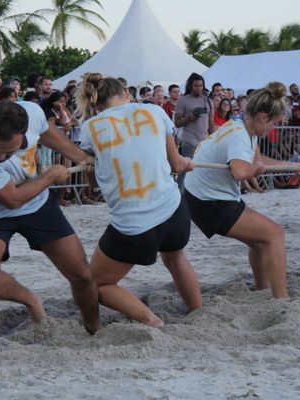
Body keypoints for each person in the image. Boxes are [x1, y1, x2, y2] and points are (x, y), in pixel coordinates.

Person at [0, 100, 101, 334]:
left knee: (82, 275)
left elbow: (49, 136)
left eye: (8, 151)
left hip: (37, 205)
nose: (1, 156)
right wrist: (49, 177)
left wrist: (81, 157)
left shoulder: (33, 113)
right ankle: (31, 300)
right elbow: (12, 199)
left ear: (24, 132)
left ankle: (94, 328)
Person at [76, 73, 202, 327]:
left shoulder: (91, 127)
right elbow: (176, 163)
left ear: (96, 103)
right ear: (125, 94)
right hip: (173, 210)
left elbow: (93, 180)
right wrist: (187, 163)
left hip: (134, 223)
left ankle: (151, 320)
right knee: (176, 259)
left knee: (95, 284)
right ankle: (199, 311)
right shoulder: (153, 111)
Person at [184, 82, 300, 299]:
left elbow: (258, 160)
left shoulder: (241, 125)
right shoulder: (240, 135)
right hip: (209, 201)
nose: (274, 129)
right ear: (263, 117)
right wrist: (256, 169)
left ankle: (262, 291)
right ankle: (282, 298)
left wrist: (296, 166)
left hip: (204, 196)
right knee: (275, 234)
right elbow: (241, 172)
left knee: (260, 242)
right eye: (275, 123)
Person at [174, 73, 215, 188]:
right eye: (196, 86)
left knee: (203, 170)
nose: (198, 88)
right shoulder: (183, 100)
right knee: (186, 170)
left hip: (205, 141)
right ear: (190, 86)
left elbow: (211, 123)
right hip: (189, 140)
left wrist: (215, 138)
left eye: (201, 85)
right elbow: (177, 123)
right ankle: (179, 196)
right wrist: (189, 118)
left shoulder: (208, 101)